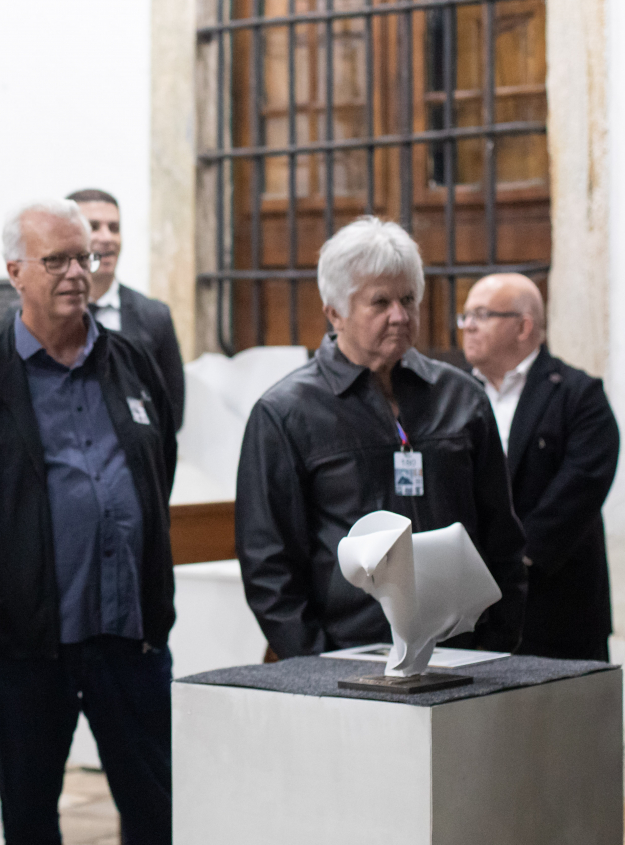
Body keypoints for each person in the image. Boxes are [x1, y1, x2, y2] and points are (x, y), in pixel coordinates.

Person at [0, 199, 177, 845]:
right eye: (58, 260)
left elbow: (155, 466)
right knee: (32, 826)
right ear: (15, 271)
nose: (79, 272)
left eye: (87, 258)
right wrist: (4, 590)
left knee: (159, 816)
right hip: (29, 646)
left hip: (128, 638)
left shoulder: (131, 363)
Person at [237, 216, 527, 659]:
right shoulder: (285, 413)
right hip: (348, 654)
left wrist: (496, 641)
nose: (400, 316)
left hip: (463, 649)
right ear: (335, 312)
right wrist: (314, 662)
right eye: (380, 302)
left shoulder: (462, 398)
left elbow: (501, 534)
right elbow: (268, 564)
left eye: (408, 299)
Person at [460, 273, 618, 661]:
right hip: (472, 611)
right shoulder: (455, 396)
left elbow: (580, 486)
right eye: (465, 316)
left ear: (523, 326)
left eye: (481, 314)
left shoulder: (578, 394)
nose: (468, 326)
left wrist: (510, 564)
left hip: (557, 607)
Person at [66, 189, 185, 432]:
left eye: (114, 227)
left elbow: (172, 413)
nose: (107, 237)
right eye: (94, 227)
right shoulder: (37, 316)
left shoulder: (155, 316)